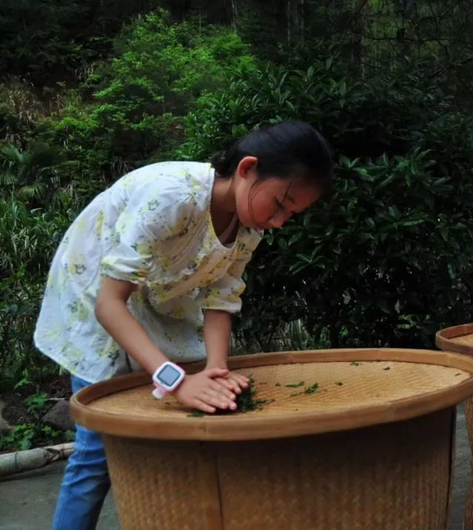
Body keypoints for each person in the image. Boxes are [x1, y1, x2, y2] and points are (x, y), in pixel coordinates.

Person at [34, 121, 334, 530]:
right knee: (97, 449)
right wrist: (177, 380)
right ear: (248, 169)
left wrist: (215, 368)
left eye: (292, 214)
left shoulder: (250, 227)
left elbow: (220, 300)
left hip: (155, 297)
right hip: (96, 299)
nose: (280, 221)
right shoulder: (171, 196)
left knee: (179, 427)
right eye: (281, 204)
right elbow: (110, 303)